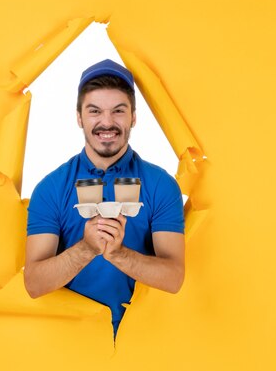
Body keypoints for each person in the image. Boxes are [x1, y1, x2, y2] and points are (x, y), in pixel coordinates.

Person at [24, 59, 185, 335]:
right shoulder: (51, 188)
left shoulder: (161, 185)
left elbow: (174, 278)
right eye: (95, 111)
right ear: (79, 117)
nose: (107, 122)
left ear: (133, 116)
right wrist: (87, 248)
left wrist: (119, 254)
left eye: (119, 111)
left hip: (146, 340)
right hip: (71, 341)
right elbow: (34, 284)